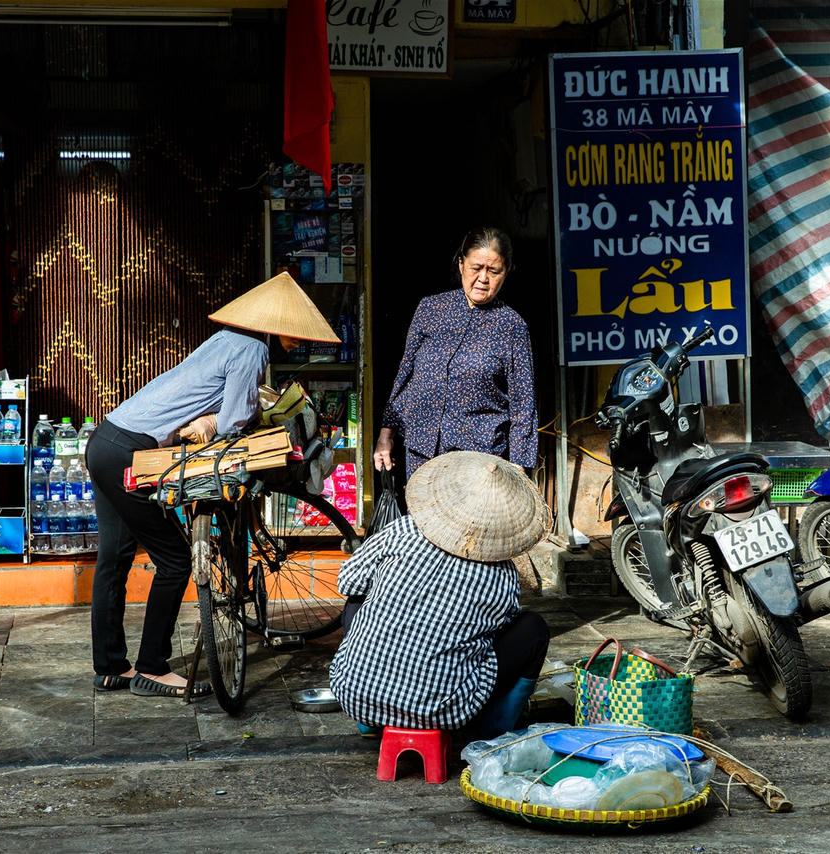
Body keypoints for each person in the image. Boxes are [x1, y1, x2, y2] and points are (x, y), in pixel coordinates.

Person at [88, 272, 339, 697]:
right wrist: (226, 422)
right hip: (132, 453)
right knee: (175, 562)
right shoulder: (252, 348)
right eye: (294, 334)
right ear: (275, 327)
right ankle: (151, 667)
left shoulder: (227, 337)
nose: (298, 342)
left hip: (107, 438)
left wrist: (207, 419)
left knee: (114, 558)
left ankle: (111, 667)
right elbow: (235, 421)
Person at [329, 451, 552, 738]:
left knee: (358, 595)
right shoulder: (503, 575)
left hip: (353, 693)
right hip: (443, 709)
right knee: (533, 628)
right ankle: (494, 727)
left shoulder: (402, 530)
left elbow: (348, 581)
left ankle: (371, 720)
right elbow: (497, 629)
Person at [373, 226, 537, 480]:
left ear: (506, 273)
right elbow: (405, 375)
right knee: (423, 519)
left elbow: (523, 404)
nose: (483, 278)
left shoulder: (512, 326)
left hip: (479, 458)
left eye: (493, 271)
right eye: (476, 268)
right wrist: (386, 436)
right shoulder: (430, 309)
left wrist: (518, 467)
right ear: (461, 264)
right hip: (422, 452)